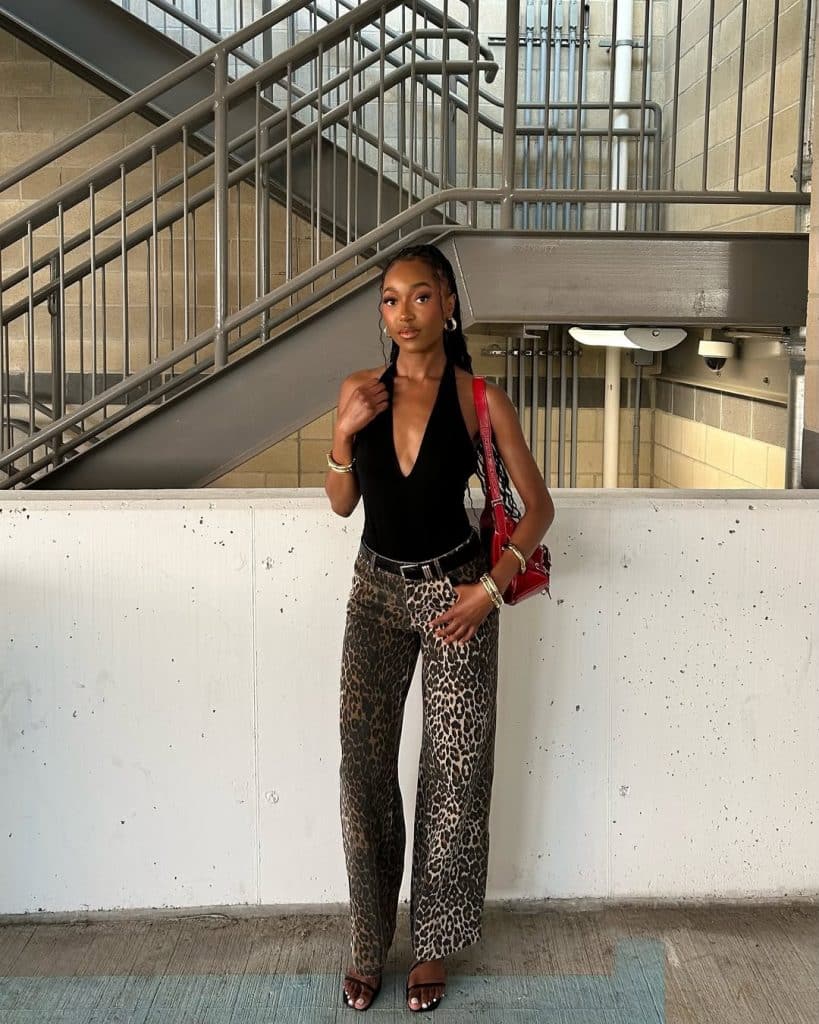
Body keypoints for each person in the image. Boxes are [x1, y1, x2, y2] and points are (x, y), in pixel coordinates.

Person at [324, 243, 554, 1012]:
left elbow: (539, 505)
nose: (404, 314)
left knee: (454, 779)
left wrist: (489, 591)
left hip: (457, 598)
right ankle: (367, 943)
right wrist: (340, 434)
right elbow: (340, 504)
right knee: (362, 774)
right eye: (390, 300)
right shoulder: (359, 388)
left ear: (448, 304)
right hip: (374, 596)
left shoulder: (478, 399)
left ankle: (432, 946)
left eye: (420, 297)